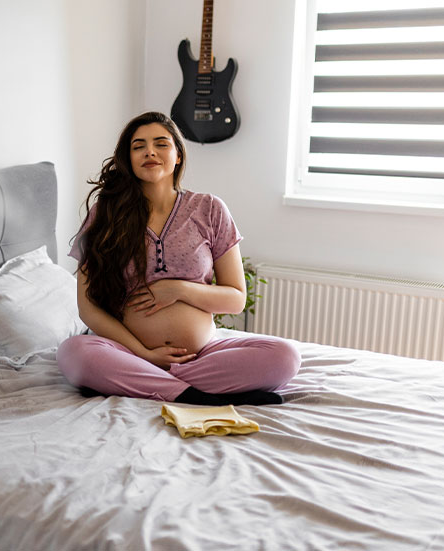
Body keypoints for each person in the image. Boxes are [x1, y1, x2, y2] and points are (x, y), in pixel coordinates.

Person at [57, 112, 299, 405]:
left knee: (285, 357)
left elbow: (235, 298)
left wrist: (178, 289)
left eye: (161, 143)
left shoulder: (209, 208)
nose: (149, 151)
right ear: (129, 159)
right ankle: (196, 395)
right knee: (74, 353)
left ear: (178, 155)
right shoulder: (105, 215)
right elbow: (88, 308)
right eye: (138, 146)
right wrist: (144, 354)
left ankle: (144, 383)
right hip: (129, 353)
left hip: (201, 354)